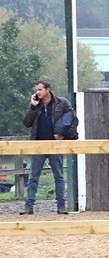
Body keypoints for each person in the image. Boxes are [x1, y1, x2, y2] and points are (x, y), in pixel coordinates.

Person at [20, 80, 74, 215]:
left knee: (59, 176)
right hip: (38, 144)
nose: (37, 92)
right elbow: (27, 123)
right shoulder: (35, 104)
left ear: (47, 90)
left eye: (39, 89)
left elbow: (73, 119)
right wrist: (33, 107)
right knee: (33, 177)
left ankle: (61, 206)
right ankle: (29, 206)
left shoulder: (62, 103)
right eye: (36, 90)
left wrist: (63, 134)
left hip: (55, 145)